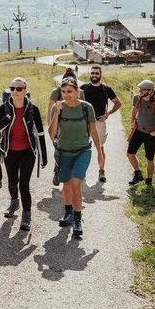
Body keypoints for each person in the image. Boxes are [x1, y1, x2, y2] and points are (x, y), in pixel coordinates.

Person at [48, 77, 104, 239]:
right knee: (66, 184)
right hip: (63, 152)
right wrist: (57, 113)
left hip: (82, 151)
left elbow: (93, 131)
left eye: (69, 92)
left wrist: (100, 153)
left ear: (77, 92)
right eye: (63, 92)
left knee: (75, 183)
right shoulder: (58, 108)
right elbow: (52, 135)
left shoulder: (87, 108)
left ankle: (78, 220)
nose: (66, 95)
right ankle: (68, 213)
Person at [0, 77, 47, 231]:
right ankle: (14, 201)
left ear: (25, 90)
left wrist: (44, 157)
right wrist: (6, 120)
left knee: (24, 184)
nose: (15, 91)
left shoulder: (32, 109)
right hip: (10, 152)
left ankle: (27, 215)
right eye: (12, 88)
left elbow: (40, 133)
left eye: (19, 88)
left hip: (27, 152)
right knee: (12, 182)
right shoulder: (4, 109)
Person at [80, 65, 121, 183]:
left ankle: (101, 171)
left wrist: (108, 114)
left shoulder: (106, 89)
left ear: (100, 75)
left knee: (100, 148)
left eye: (96, 73)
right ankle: (81, 171)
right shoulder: (83, 88)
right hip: (84, 122)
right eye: (92, 73)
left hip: (99, 122)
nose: (94, 75)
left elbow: (118, 103)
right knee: (82, 148)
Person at [127, 79, 155, 188]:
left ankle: (149, 180)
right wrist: (132, 122)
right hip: (138, 131)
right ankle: (138, 174)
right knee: (130, 154)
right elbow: (134, 110)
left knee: (149, 159)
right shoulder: (137, 98)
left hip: (151, 134)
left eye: (143, 90)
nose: (140, 91)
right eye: (140, 89)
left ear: (150, 91)